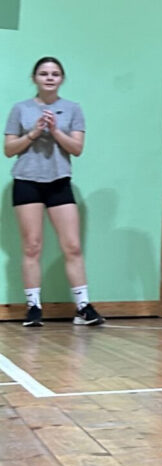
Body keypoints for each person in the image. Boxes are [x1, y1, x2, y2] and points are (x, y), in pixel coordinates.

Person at [4, 57, 103, 327]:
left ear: (61, 79)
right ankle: (33, 307)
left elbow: (77, 149)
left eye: (55, 74)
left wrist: (55, 131)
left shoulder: (72, 109)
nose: (49, 78)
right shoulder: (20, 109)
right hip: (27, 181)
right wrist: (34, 132)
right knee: (32, 245)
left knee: (72, 246)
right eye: (44, 73)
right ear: (34, 78)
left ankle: (83, 307)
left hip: (59, 182)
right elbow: (9, 150)